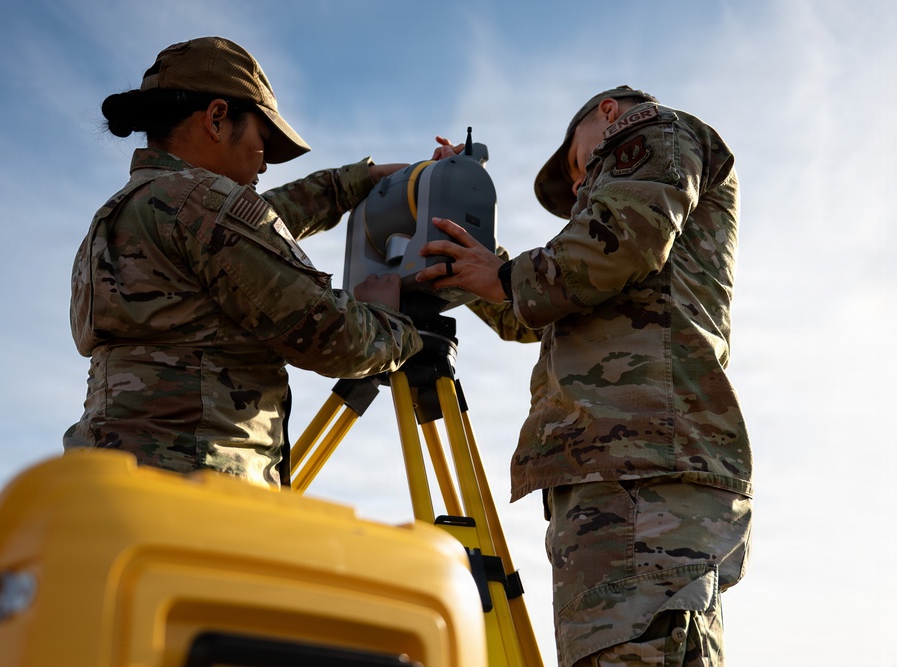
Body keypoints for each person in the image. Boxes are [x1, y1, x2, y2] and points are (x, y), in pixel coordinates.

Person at [417, 87, 752, 667]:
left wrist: (504, 274)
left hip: (643, 473)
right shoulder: (596, 263)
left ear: (608, 112)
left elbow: (616, 243)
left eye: (578, 166)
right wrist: (464, 236)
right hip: (616, 474)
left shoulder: (655, 130)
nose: (578, 186)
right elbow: (529, 304)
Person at [63, 36, 424, 489]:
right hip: (199, 496)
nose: (265, 166)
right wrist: (391, 320)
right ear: (217, 118)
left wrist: (355, 182)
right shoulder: (207, 206)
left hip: (105, 489)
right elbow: (337, 338)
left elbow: (253, 230)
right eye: (263, 141)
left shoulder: (126, 211)